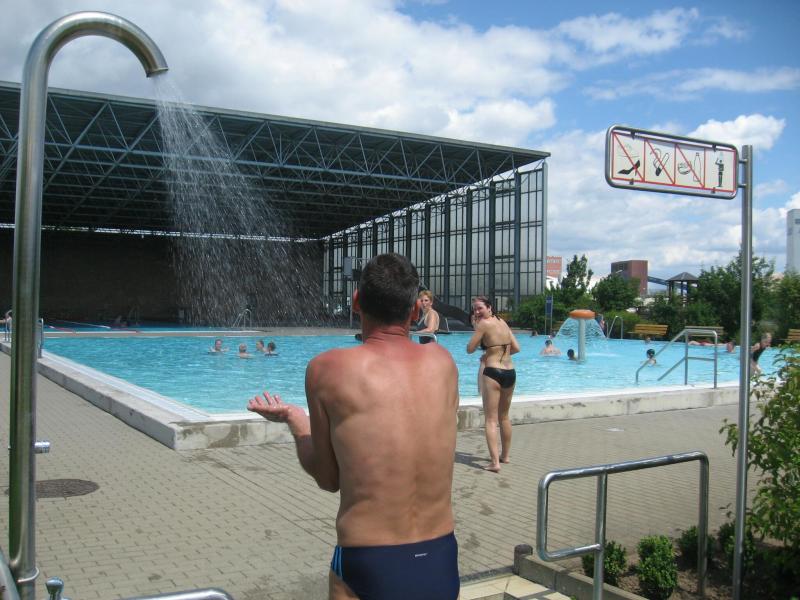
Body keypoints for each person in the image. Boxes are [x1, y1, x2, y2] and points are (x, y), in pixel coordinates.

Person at [247, 253, 460, 600]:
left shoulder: (327, 368)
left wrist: (296, 421)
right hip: (440, 557)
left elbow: (327, 479)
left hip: (370, 558)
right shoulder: (443, 363)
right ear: (414, 311)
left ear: (356, 301)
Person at [467, 295, 520, 473]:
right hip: (510, 372)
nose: (476, 312)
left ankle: (495, 463)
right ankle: (505, 456)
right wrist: (497, 353)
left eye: (479, 308)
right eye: (474, 309)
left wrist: (489, 355)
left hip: (493, 372)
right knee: (504, 417)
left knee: (490, 420)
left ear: (489, 307)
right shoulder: (502, 322)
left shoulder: (483, 324)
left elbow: (469, 349)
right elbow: (516, 348)